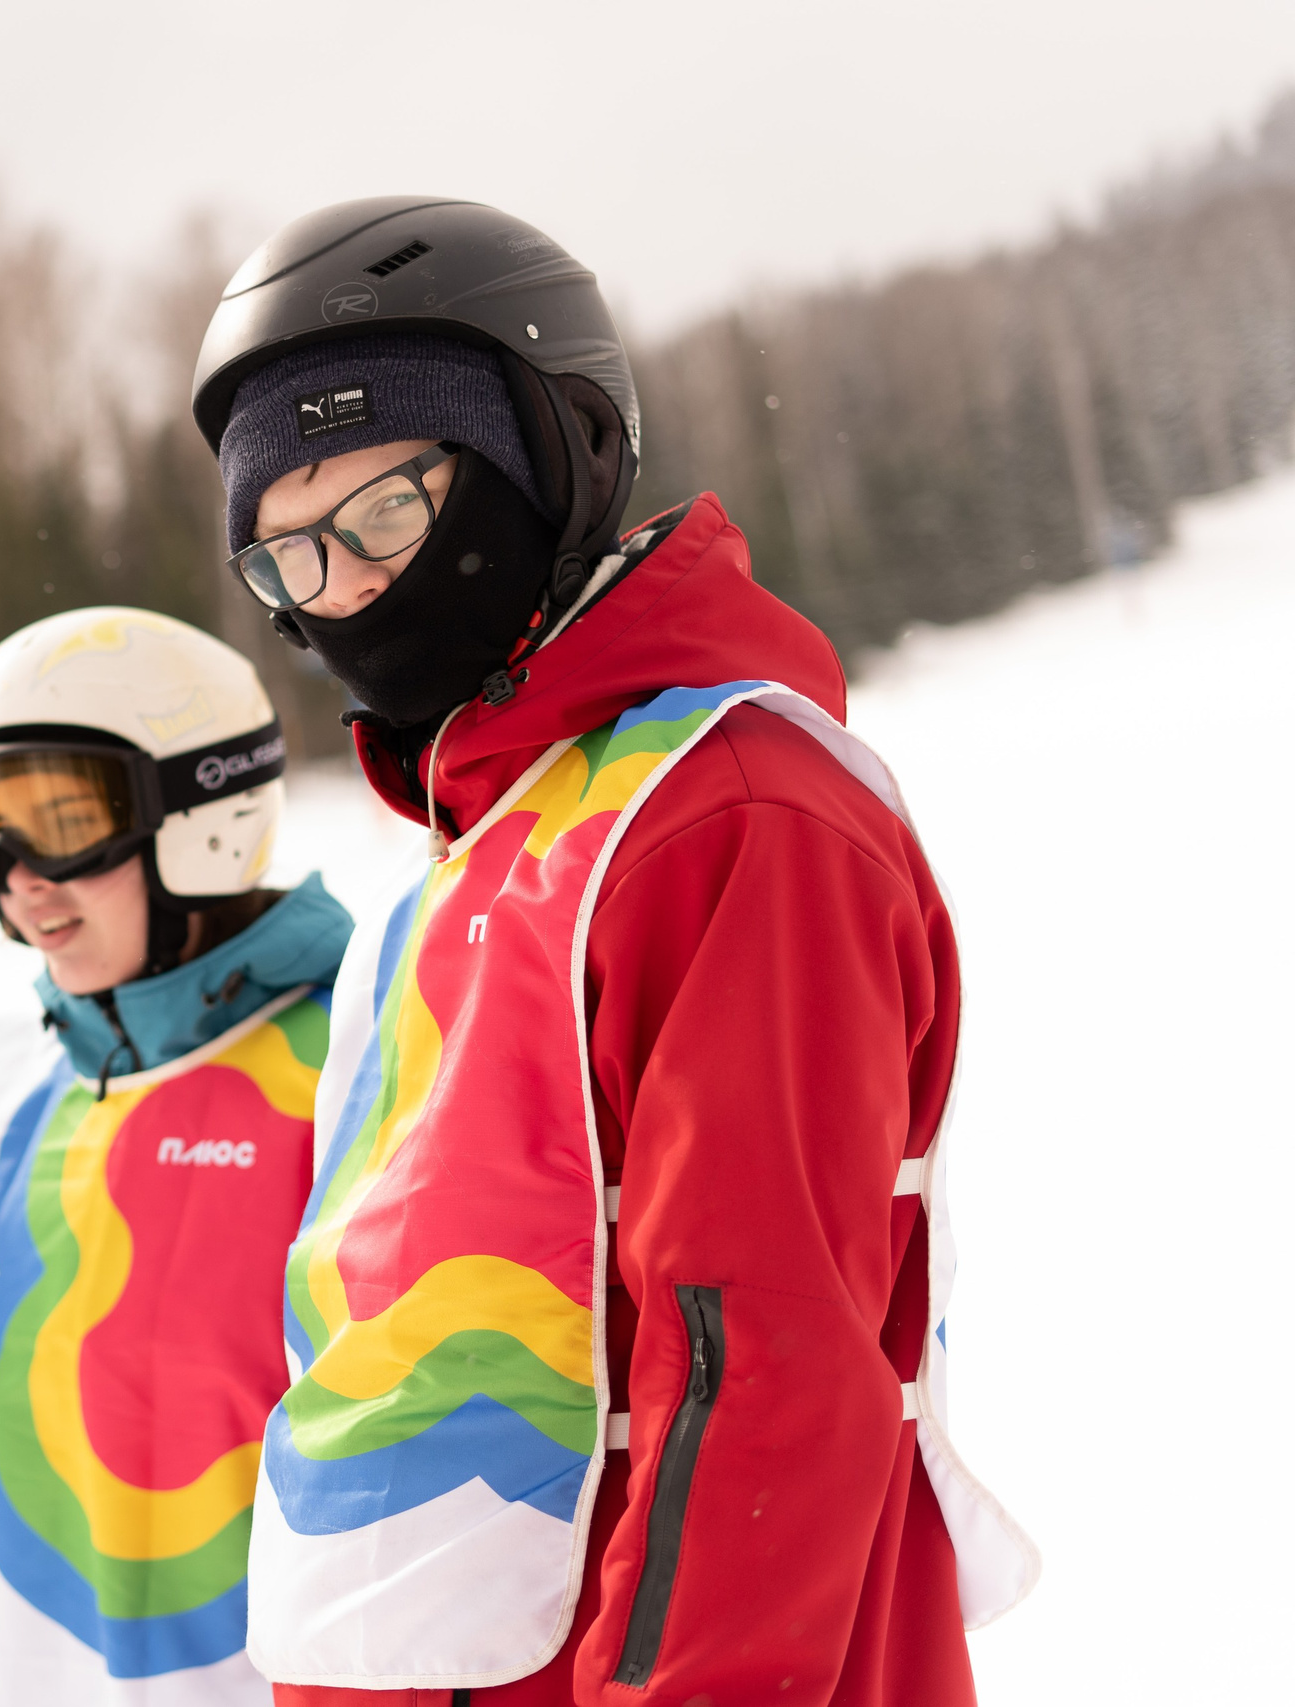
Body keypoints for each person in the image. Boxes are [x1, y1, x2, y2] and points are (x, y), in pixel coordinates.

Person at [182, 200, 1039, 1704]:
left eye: (388, 513)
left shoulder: (734, 816)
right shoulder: (469, 858)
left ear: (552, 451)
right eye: (292, 558)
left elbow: (759, 1358)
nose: (350, 592)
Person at [0, 607, 354, 1707]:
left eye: (61, 822)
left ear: (201, 814)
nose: (18, 877)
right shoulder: (10, 1092)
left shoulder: (357, 1060)